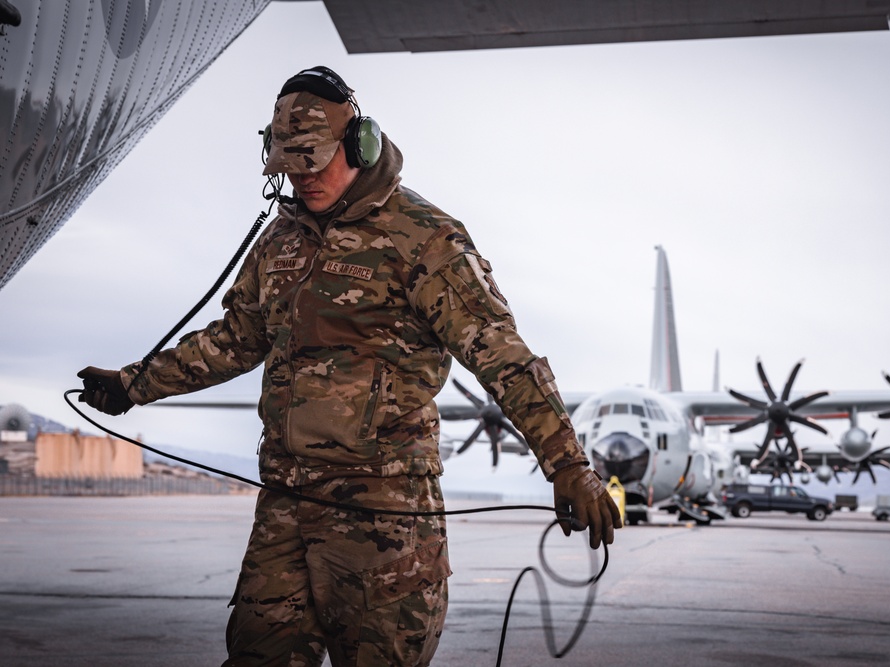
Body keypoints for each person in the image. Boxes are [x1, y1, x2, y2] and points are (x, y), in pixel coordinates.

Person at [77, 66, 620, 667]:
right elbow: (235, 338)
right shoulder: (280, 241)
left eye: (314, 161)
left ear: (360, 143)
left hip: (382, 512)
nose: (302, 179)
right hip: (285, 500)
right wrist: (134, 384)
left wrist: (567, 464)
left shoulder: (423, 237)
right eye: (290, 165)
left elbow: (502, 355)